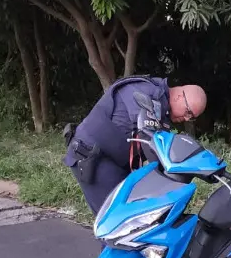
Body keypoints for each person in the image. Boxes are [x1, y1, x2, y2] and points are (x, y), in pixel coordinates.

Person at [62, 75, 207, 215]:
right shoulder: (146, 91)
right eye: (188, 112)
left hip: (115, 162)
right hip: (93, 157)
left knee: (134, 219)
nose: (187, 118)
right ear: (179, 97)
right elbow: (149, 138)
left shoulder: (162, 109)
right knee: (117, 222)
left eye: (192, 117)